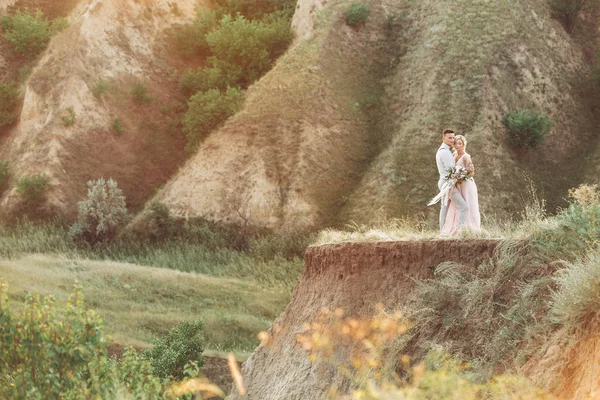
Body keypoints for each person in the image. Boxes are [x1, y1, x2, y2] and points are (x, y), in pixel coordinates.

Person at [441, 134, 480, 235]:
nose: (457, 145)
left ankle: (469, 228)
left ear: (463, 144)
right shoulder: (453, 155)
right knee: (458, 206)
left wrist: (462, 176)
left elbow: (472, 172)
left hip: (467, 185)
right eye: (456, 143)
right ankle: (456, 228)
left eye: (460, 143)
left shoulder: (466, 156)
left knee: (468, 204)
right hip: (458, 185)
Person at [435, 129, 468, 233]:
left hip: (443, 182)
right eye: (449, 138)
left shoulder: (443, 150)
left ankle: (443, 232)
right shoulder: (445, 152)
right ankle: (459, 232)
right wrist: (462, 175)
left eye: (453, 137)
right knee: (463, 206)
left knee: (444, 208)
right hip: (447, 184)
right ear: (443, 138)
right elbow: (452, 171)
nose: (452, 140)